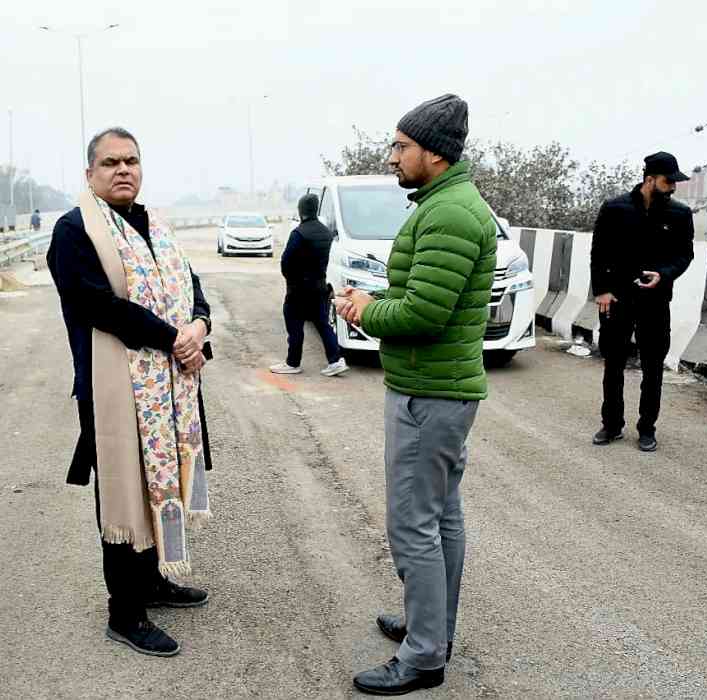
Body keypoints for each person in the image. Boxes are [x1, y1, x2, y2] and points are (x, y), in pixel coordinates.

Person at [336, 94, 497, 695]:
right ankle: (431, 625)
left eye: (401, 146)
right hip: (437, 391)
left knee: (413, 525)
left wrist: (363, 308)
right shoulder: (442, 203)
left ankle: (425, 654)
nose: (393, 156)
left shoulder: (450, 213)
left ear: (433, 152)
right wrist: (374, 302)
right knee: (440, 517)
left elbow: (426, 314)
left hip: (430, 394)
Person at [47, 127, 213, 657]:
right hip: (113, 390)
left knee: (159, 483)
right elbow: (98, 306)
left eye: (132, 161)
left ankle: (153, 582)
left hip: (169, 386)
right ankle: (125, 612)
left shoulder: (157, 227)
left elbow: (194, 289)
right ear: (89, 173)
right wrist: (174, 339)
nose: (124, 170)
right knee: (122, 491)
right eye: (111, 162)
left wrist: (200, 328)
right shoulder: (75, 231)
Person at [591, 151, 694, 452]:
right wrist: (601, 291)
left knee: (653, 366)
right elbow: (599, 252)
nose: (673, 187)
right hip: (617, 299)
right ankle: (611, 425)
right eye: (668, 181)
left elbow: (684, 255)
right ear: (650, 179)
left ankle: (647, 428)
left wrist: (664, 274)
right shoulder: (614, 208)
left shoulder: (680, 214)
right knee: (613, 363)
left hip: (656, 301)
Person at [269, 192, 348, 377]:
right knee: (322, 323)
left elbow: (286, 262)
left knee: (294, 323)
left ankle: (293, 362)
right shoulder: (325, 232)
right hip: (320, 286)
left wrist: (291, 280)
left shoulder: (298, 233)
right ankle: (335, 360)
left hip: (298, 289)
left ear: (301, 210)